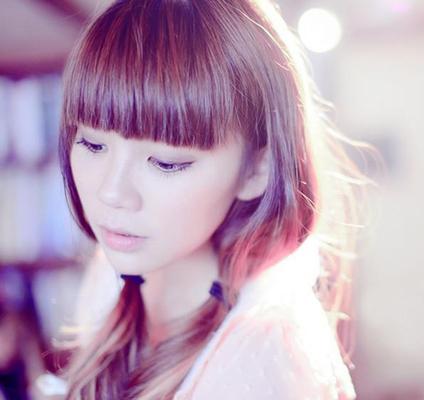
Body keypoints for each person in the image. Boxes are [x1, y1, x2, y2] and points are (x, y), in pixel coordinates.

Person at [52, 0, 375, 399]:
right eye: (91, 143)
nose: (111, 192)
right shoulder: (109, 282)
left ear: (256, 170)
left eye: (166, 163)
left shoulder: (266, 358)